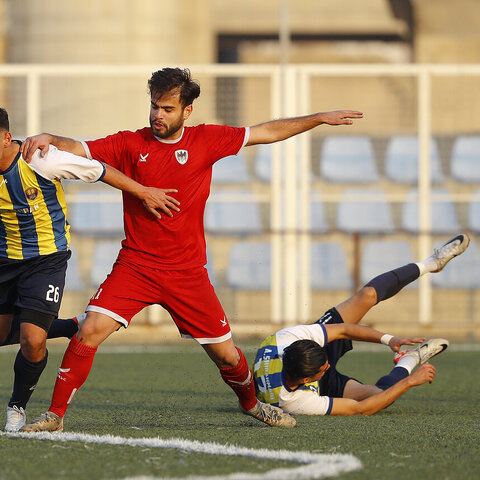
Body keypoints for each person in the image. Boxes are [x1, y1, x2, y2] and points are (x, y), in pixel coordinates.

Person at [18, 67, 363, 432]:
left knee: (226, 354)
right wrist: (49, 137)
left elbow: (265, 131)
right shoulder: (130, 143)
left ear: (187, 111)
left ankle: (252, 405)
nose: (157, 115)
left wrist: (319, 118)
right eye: (154, 106)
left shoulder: (206, 140)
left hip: (187, 273)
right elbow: (80, 147)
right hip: (136, 266)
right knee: (90, 329)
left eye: (167, 108)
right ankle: (55, 415)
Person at [0, 103, 179, 432]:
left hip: (45, 260)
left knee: (32, 341)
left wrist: (143, 192)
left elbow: (99, 170)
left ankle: (17, 406)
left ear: (6, 137)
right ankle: (71, 326)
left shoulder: (40, 160)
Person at [253, 233, 469, 416]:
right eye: (324, 367)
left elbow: (344, 330)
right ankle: (410, 359)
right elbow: (361, 408)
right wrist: (410, 381)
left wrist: (388, 339)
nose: (328, 365)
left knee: (367, 295)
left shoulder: (285, 339)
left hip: (302, 364)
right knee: (380, 396)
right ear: (308, 379)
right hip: (318, 385)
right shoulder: (294, 402)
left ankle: (432, 262)